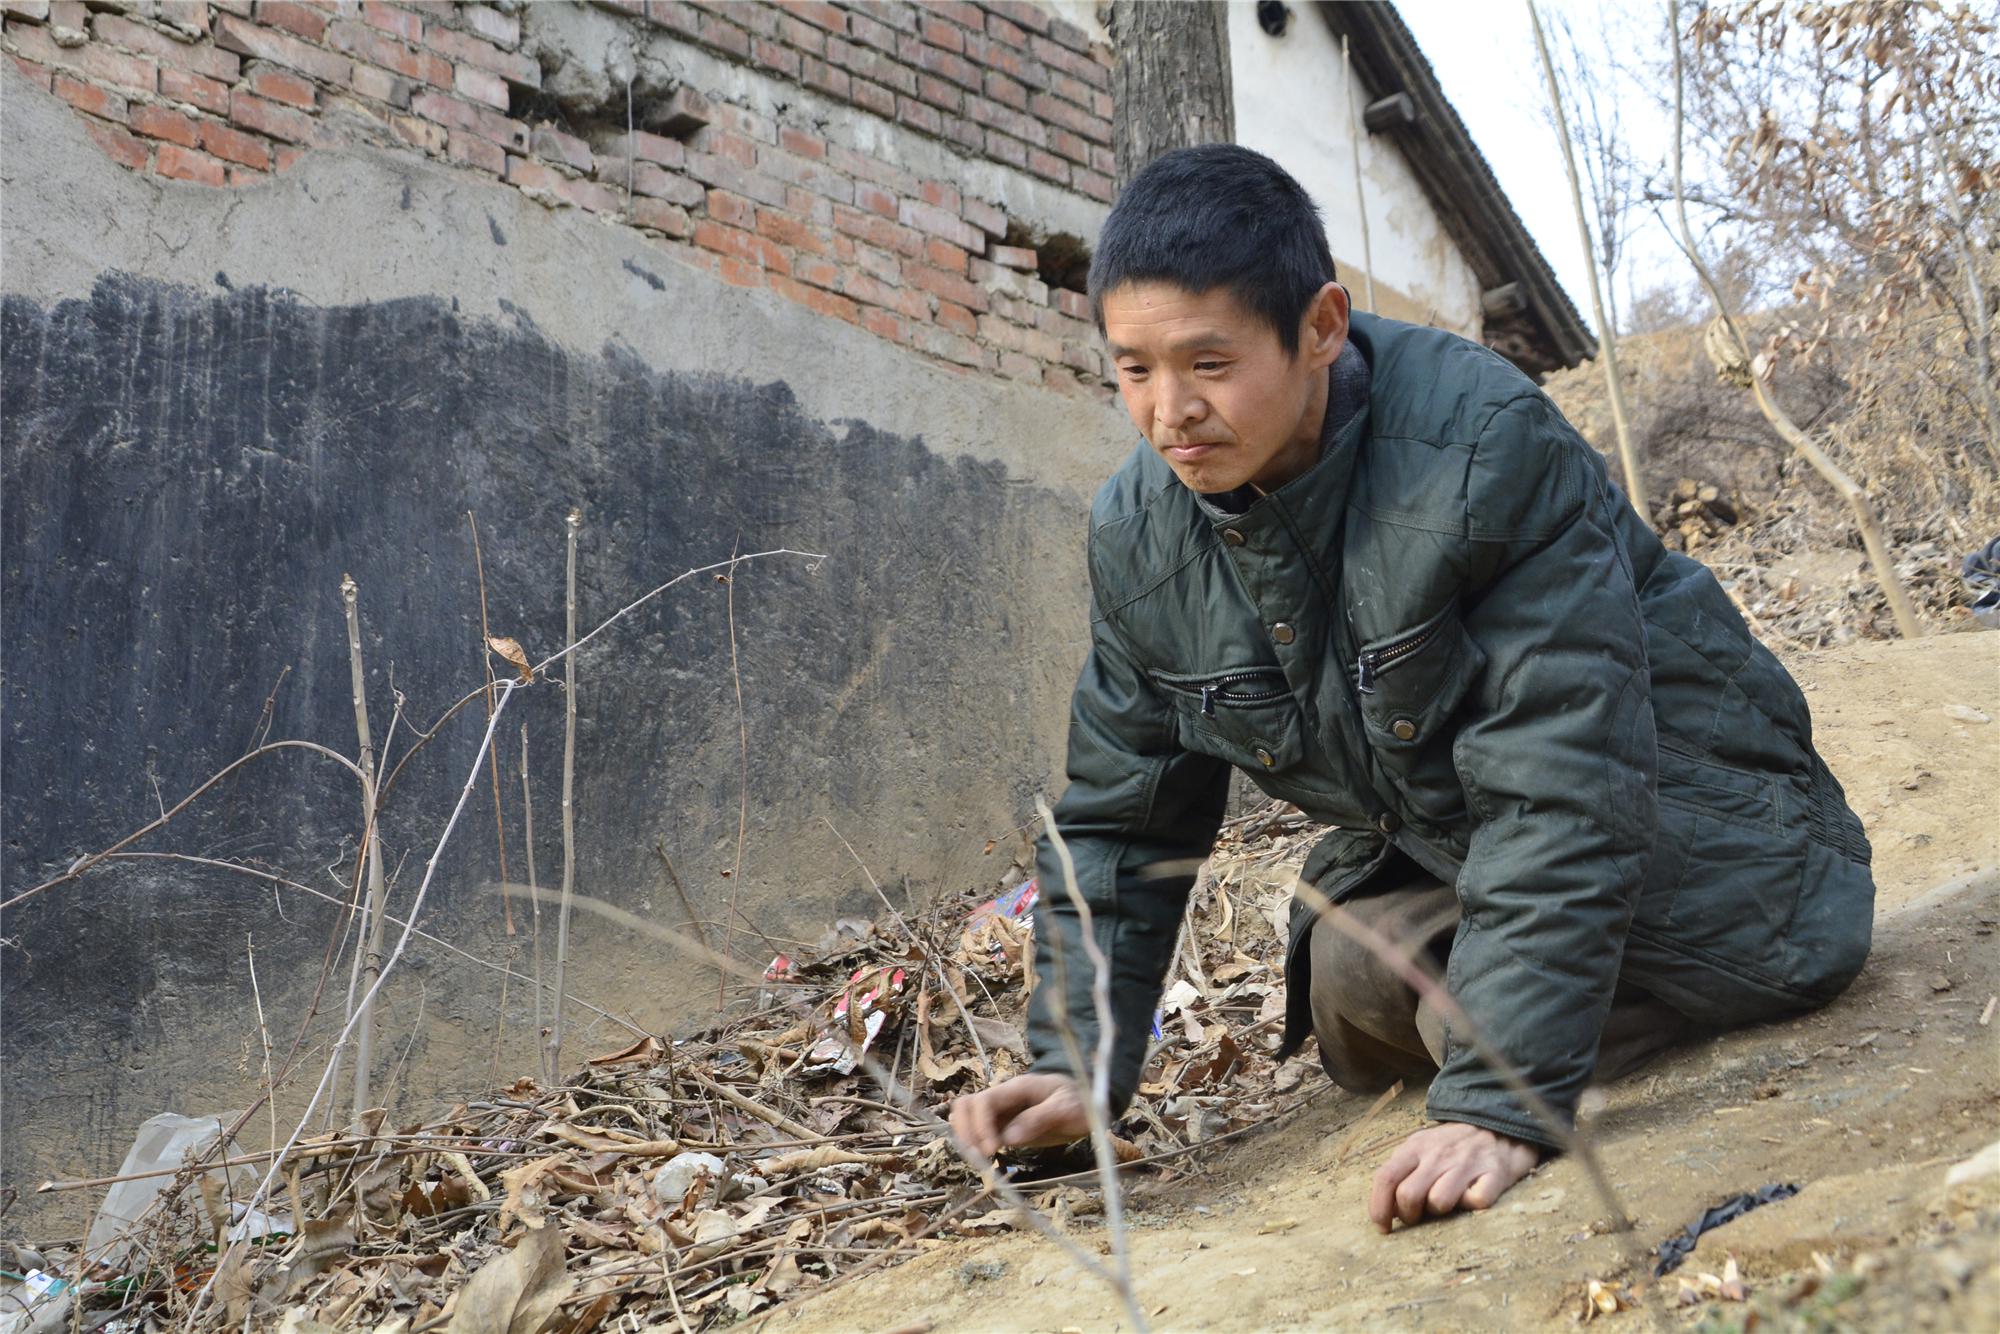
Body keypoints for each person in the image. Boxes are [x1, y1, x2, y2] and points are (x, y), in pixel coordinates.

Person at [948, 145, 1875, 1232]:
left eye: (1207, 362)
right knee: (1347, 984)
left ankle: (1545, 1017)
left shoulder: (1480, 447)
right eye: (1133, 368)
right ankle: (1528, 1001)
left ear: (1321, 328)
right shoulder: (1141, 531)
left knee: (1474, 1022)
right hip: (1459, 837)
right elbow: (1117, 817)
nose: (1169, 412)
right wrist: (1078, 1063)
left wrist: (1500, 1101)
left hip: (1703, 822)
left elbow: (1562, 775)